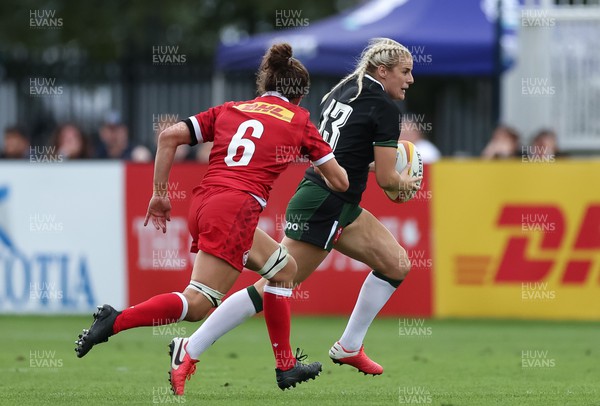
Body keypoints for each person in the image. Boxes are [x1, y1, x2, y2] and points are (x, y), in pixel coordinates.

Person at [74, 43, 349, 393]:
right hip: (236, 209)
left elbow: (169, 136)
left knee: (284, 270)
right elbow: (339, 180)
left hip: (206, 203)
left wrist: (160, 193)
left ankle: (286, 366)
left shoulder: (233, 109)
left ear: (264, 85)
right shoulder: (299, 121)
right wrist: (315, 157)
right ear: (300, 95)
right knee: (197, 303)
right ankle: (115, 321)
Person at [172, 37, 421, 395]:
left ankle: (349, 346)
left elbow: (344, 150)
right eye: (405, 72)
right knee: (273, 285)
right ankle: (190, 348)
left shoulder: (346, 87)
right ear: (383, 71)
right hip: (326, 203)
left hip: (335, 200)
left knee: (397, 264)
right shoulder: (384, 107)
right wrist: (405, 182)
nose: (410, 80)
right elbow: (386, 180)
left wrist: (386, 173)